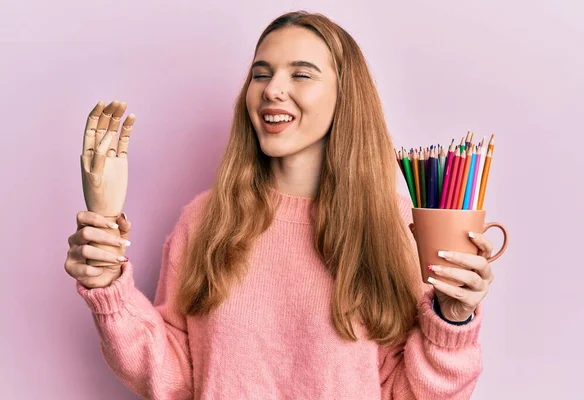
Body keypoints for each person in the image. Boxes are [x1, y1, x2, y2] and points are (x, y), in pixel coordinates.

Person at [64, 11, 496, 399]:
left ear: (345, 96)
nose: (273, 90)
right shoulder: (205, 221)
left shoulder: (400, 228)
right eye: (261, 74)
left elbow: (414, 395)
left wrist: (453, 320)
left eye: (301, 75)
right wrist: (108, 289)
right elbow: (173, 377)